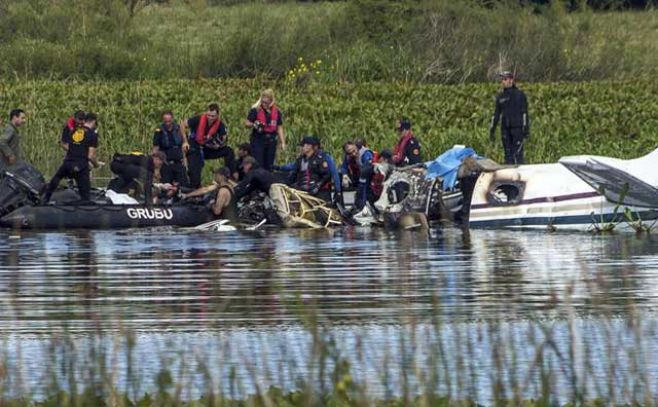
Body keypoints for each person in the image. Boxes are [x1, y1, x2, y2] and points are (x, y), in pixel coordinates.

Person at [41, 112, 100, 204]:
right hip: (81, 167)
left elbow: (68, 145)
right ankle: (72, 205)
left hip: (67, 163)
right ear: (94, 121)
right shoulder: (93, 135)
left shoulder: (73, 131)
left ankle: (46, 198)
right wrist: (96, 165)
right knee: (85, 197)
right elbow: (90, 156)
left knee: (56, 178)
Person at [182, 103, 235, 189]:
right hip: (195, 146)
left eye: (213, 116)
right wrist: (185, 141)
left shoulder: (220, 124)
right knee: (195, 172)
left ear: (217, 115)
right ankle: (194, 187)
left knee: (228, 151)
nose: (210, 118)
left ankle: (232, 176)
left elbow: (224, 138)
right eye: (209, 115)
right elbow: (182, 125)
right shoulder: (198, 119)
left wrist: (218, 144)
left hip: (208, 148)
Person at [489, 71, 530, 165]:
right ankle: (509, 175)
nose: (503, 82)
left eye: (505, 79)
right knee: (508, 154)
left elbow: (525, 113)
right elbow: (496, 115)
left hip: (517, 128)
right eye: (502, 80)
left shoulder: (520, 95)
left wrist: (526, 128)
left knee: (518, 154)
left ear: (511, 80)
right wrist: (492, 130)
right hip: (505, 129)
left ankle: (520, 174)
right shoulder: (500, 97)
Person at [109, 151, 176, 204]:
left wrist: (160, 186)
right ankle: (148, 203)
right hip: (120, 164)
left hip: (115, 164)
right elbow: (148, 182)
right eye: (160, 163)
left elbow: (147, 183)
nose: (159, 166)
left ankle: (114, 190)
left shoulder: (146, 160)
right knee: (148, 175)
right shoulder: (149, 161)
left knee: (129, 179)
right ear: (156, 158)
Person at [245, 89, 286, 171]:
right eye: (263, 102)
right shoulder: (255, 110)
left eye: (266, 103)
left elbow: (279, 127)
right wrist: (254, 124)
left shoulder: (276, 111)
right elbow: (247, 123)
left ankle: (268, 180)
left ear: (271, 101)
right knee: (258, 163)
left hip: (271, 140)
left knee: (269, 164)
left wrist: (283, 142)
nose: (264, 104)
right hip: (258, 139)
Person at [153, 110, 189, 186]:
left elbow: (184, 145)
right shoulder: (159, 131)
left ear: (172, 119)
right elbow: (155, 149)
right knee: (166, 186)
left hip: (179, 162)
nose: (168, 123)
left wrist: (185, 160)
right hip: (166, 163)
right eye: (166, 121)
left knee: (184, 185)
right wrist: (156, 168)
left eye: (169, 121)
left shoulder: (179, 129)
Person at [289, 136, 331, 201]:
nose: (301, 148)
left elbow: (327, 175)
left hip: (316, 191)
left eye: (303, 146)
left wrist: (317, 186)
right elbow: (293, 175)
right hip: (301, 191)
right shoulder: (299, 160)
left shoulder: (319, 160)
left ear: (309, 146)